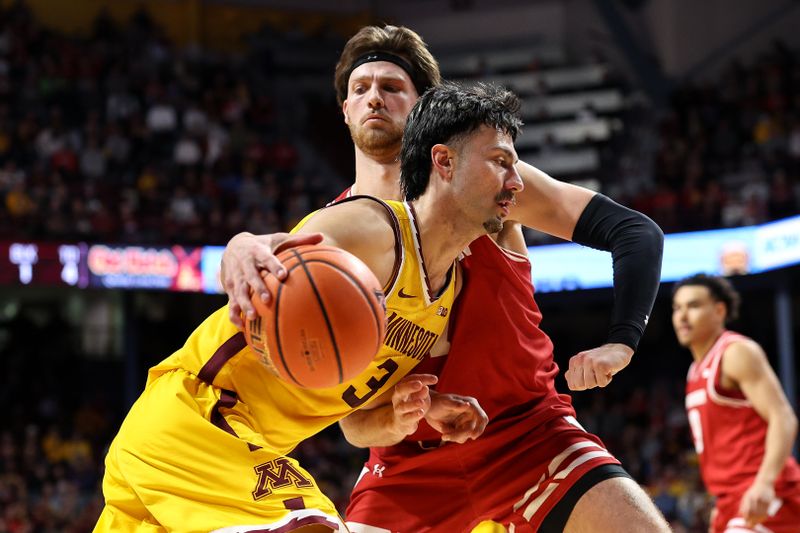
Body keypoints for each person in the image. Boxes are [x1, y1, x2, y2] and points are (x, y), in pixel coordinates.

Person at [221, 25, 670, 532]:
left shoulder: (487, 185)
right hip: (408, 463)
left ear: (422, 109)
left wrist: (623, 341)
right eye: (360, 89)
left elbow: (634, 232)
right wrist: (242, 243)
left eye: (392, 87)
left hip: (528, 434)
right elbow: (350, 416)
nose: (374, 99)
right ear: (344, 111)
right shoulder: (334, 244)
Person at [93, 83, 527, 532]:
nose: (516, 182)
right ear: (445, 162)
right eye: (500, 163)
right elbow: (271, 254)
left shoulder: (444, 300)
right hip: (197, 419)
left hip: (225, 447)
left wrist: (405, 415)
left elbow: (354, 425)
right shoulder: (376, 231)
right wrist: (241, 247)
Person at [672, 274, 800, 533]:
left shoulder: (736, 352)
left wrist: (764, 483)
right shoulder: (695, 370)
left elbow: (783, 417)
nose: (683, 316)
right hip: (730, 499)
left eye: (694, 306)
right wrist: (721, 501)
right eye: (677, 308)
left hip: (768, 492)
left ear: (719, 310)